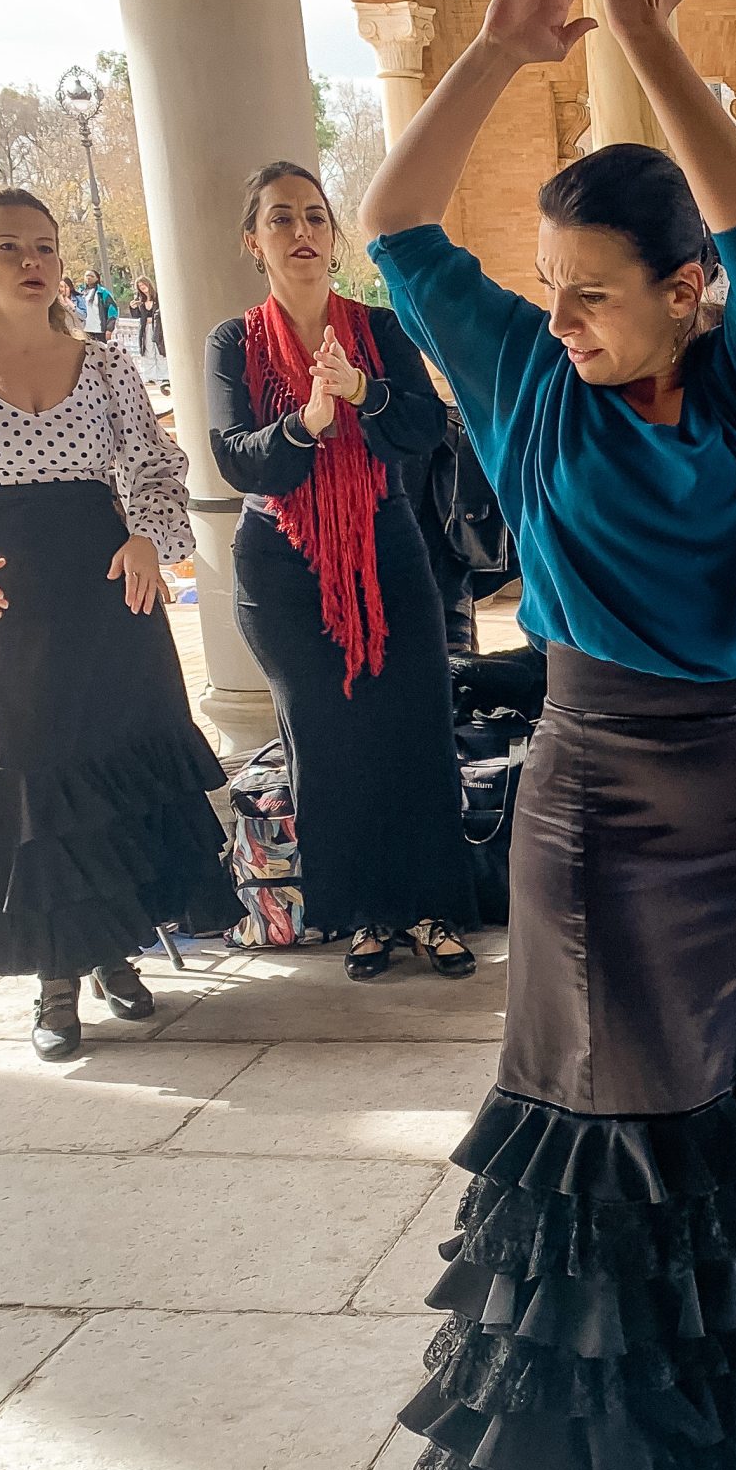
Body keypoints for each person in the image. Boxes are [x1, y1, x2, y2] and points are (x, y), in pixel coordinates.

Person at [358, 0, 736, 1470]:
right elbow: (395, 228)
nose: (559, 315)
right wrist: (491, 62)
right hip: (591, 802)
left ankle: (715, 1453)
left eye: (593, 292)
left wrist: (648, 43)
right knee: (593, 1125)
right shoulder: (527, 386)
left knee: (705, 1134)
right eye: (547, 286)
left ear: (690, 291)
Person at [0, 188, 238, 1059]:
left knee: (116, 773)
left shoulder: (106, 362)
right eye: (10, 248)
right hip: (10, 605)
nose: (32, 262)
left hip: (113, 594)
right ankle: (56, 985)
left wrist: (151, 538)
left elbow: (156, 465)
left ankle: (113, 954)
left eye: (44, 246)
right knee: (36, 783)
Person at [206, 161, 476, 981]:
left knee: (416, 725)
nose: (303, 233)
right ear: (255, 243)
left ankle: (431, 910)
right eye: (282, 219)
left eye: (316, 218)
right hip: (283, 569)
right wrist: (307, 423)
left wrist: (361, 390)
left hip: (385, 549)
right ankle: (365, 916)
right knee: (328, 741)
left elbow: (428, 426)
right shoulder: (234, 343)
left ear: (332, 236)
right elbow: (235, 460)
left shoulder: (377, 328)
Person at [127, 276, 164, 360]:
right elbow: (137, 316)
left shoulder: (158, 297)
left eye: (143, 284)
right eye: (140, 286)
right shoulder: (139, 300)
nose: (142, 287)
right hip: (145, 329)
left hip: (158, 328)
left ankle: (162, 372)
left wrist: (154, 319)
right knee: (148, 352)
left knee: (160, 352)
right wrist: (133, 308)